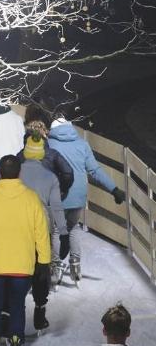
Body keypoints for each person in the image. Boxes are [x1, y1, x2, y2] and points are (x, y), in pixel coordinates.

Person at [0, 155, 50, 346]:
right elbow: (41, 232)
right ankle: (16, 342)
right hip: (22, 265)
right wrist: (43, 261)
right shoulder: (31, 198)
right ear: (19, 173)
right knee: (17, 305)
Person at [47, 117, 125, 285]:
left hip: (58, 195)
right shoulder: (82, 144)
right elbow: (95, 170)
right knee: (73, 228)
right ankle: (75, 265)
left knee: (55, 231)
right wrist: (114, 189)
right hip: (78, 196)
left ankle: (56, 267)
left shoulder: (50, 144)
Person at [18, 135, 67, 331]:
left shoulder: (15, 172)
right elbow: (56, 207)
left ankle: (13, 310)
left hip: (19, 228)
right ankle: (40, 311)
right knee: (41, 268)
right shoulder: (50, 178)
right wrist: (63, 233)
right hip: (42, 228)